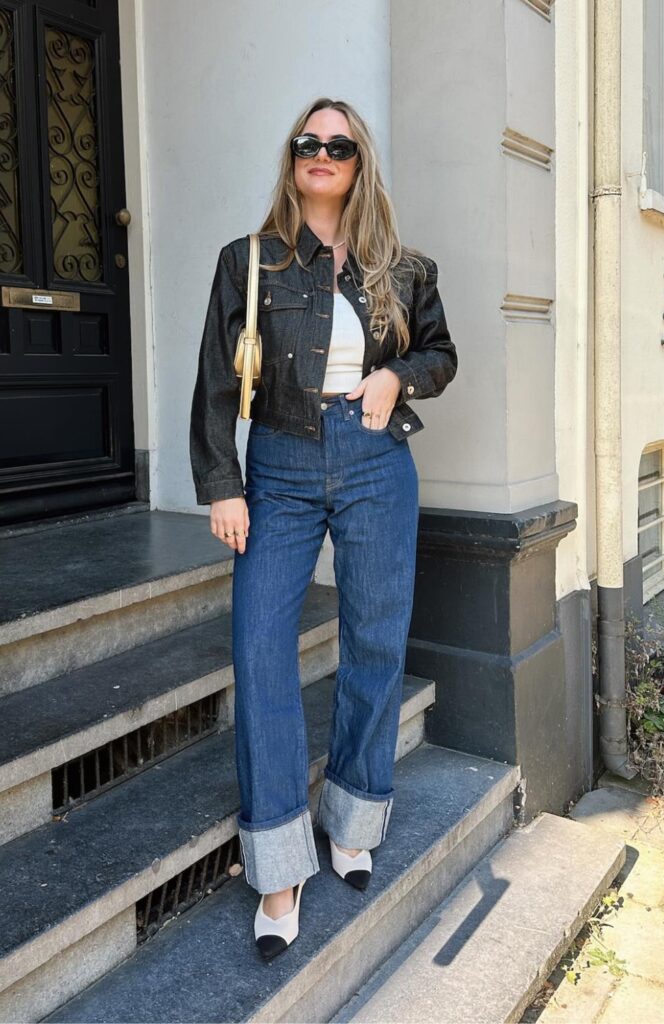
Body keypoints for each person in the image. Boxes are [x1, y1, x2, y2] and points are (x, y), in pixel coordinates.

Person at [189, 97, 457, 960]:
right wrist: (221, 486)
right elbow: (215, 385)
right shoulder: (252, 260)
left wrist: (395, 382)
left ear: (358, 162)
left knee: (374, 640)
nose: (322, 153)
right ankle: (277, 862)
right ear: (293, 157)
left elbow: (440, 354)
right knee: (262, 644)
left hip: (377, 458)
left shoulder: (401, 268)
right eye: (309, 141)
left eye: (338, 144)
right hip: (280, 465)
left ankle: (351, 819)